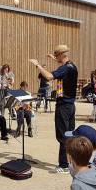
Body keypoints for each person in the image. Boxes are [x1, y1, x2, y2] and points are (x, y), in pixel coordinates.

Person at [30, 44, 78, 173]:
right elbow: (62, 67)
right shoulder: (72, 66)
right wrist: (53, 58)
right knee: (69, 134)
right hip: (71, 105)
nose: (56, 57)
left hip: (63, 105)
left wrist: (37, 65)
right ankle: (71, 162)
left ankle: (63, 165)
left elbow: (50, 76)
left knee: (62, 136)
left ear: (61, 55)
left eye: (57, 56)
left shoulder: (64, 68)